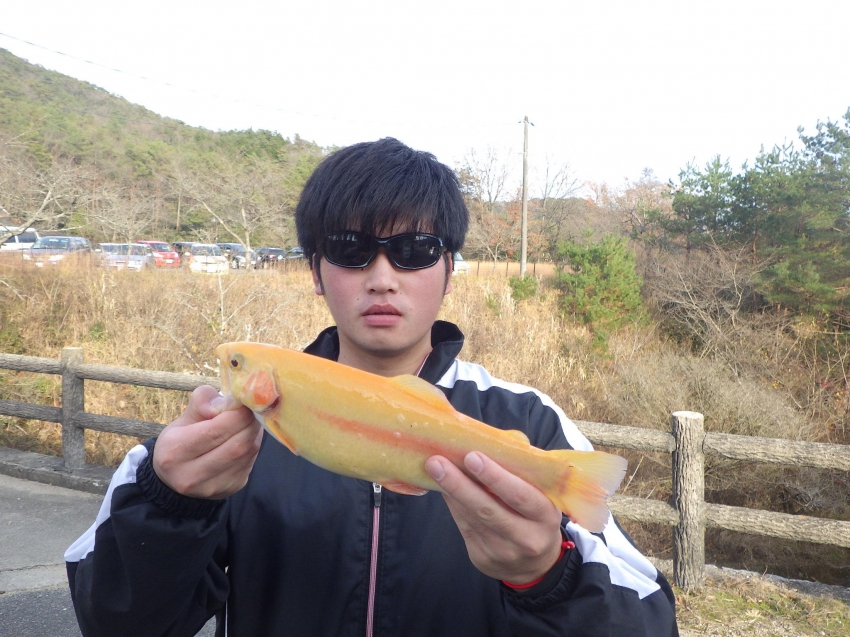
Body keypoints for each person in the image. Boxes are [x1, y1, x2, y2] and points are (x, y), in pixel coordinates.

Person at [66, 138, 678, 636]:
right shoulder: (222, 442)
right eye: (350, 249)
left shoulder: (529, 422)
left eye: (414, 250)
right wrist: (171, 506)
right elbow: (117, 623)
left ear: (449, 270)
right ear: (315, 270)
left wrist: (547, 577)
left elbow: (648, 620)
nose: (382, 277)